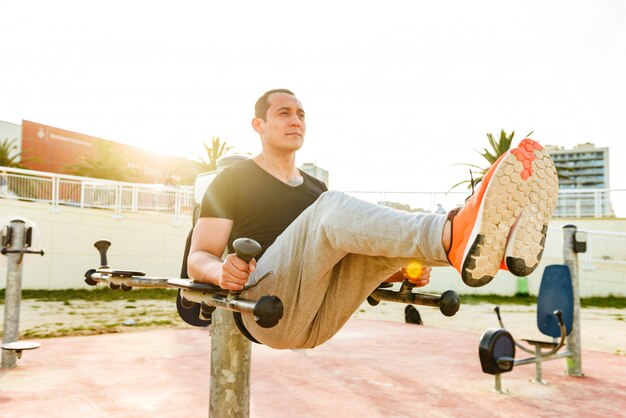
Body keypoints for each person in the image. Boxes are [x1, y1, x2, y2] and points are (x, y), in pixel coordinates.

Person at [188, 89, 559, 349]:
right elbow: (199, 256)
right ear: (258, 125)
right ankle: (453, 234)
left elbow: (338, 261)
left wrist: (397, 271)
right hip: (263, 308)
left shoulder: (315, 188)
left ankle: (484, 250)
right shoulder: (233, 179)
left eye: (301, 114)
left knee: (384, 247)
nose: (295, 120)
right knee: (334, 208)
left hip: (318, 321)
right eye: (284, 113)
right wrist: (220, 271)